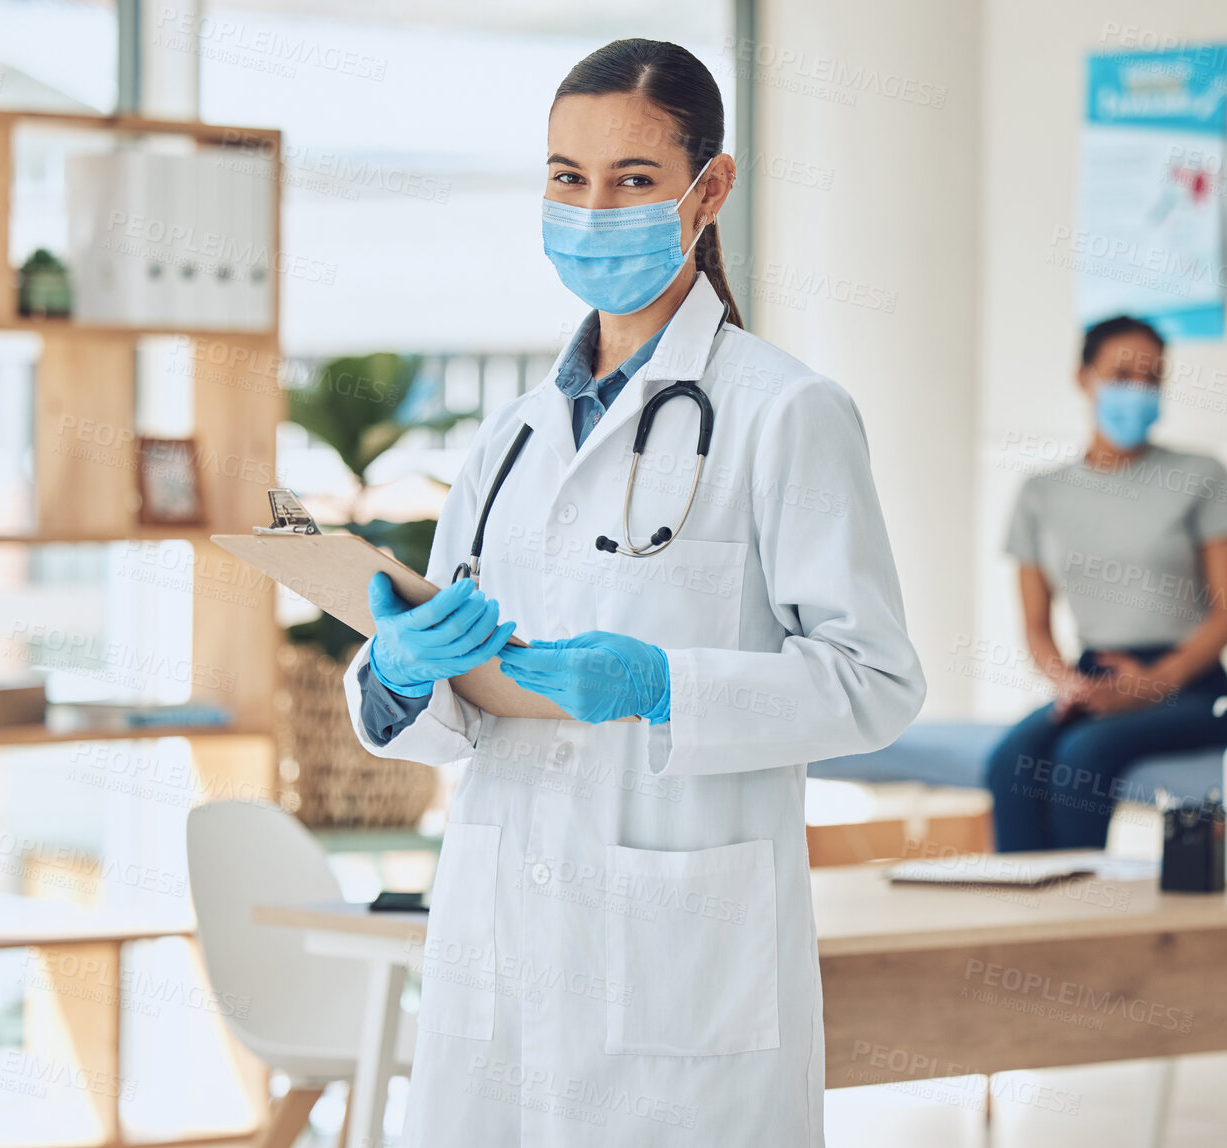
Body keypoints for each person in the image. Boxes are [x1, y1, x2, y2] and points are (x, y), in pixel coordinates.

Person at [341, 38, 925, 1148]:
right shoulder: (508, 437)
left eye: (633, 180)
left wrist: (666, 686)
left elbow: (877, 681)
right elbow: (445, 703)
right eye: (567, 177)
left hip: (681, 967)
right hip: (499, 946)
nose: (592, 208)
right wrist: (397, 675)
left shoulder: (783, 413)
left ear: (710, 190)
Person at [985, 315, 1227, 853]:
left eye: (1153, 378)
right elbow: (1036, 629)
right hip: (1093, 680)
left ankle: (1083, 923)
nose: (1139, 389)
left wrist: (1149, 684)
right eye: (1123, 373)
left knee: (1082, 757)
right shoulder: (1041, 494)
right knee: (1010, 761)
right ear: (1083, 378)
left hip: (1191, 686)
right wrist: (1066, 683)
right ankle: (1027, 923)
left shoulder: (1203, 476)